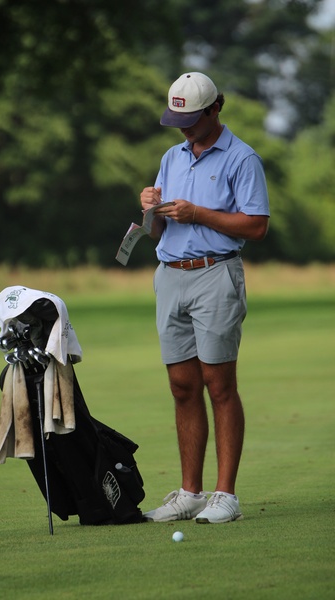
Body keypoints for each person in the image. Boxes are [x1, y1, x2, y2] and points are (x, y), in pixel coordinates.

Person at [140, 72, 270, 524]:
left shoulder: (242, 158)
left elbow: (256, 226)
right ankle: (190, 493)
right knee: (182, 386)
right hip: (170, 275)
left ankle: (225, 495)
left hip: (216, 273)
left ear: (216, 108)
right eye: (177, 121)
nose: (184, 129)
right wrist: (150, 209)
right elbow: (156, 230)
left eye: (191, 120)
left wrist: (198, 213)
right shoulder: (171, 156)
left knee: (220, 385)